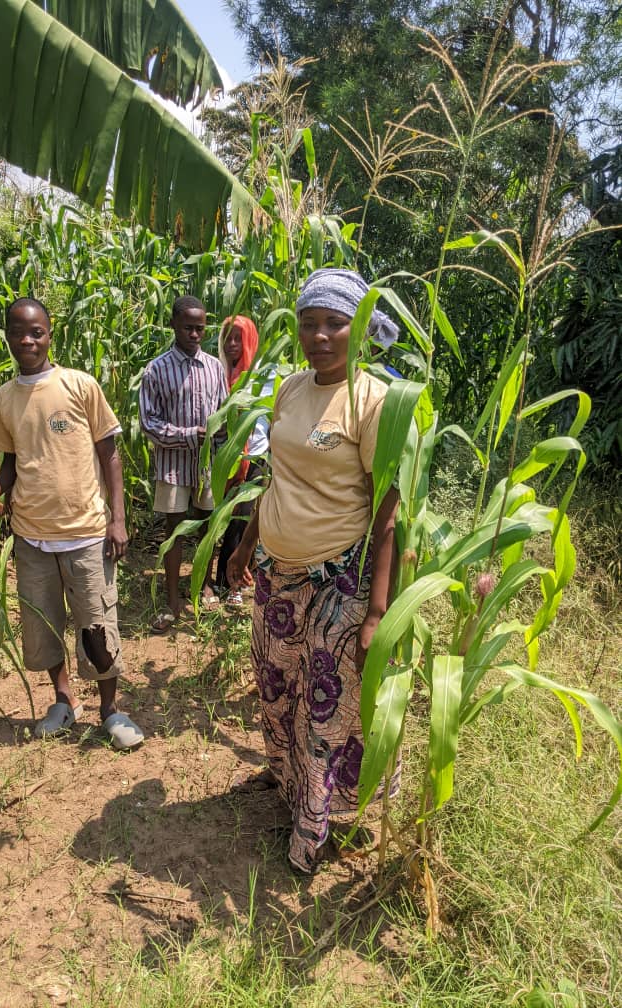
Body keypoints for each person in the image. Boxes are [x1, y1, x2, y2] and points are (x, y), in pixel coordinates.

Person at [227, 268, 401, 875]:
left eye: (334, 323)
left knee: (325, 709)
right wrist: (248, 543)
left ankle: (316, 824)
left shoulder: (375, 401)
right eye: (309, 323)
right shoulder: (289, 388)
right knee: (276, 685)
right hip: (279, 572)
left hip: (340, 579)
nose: (319, 335)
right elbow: (275, 476)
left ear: (359, 326)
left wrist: (378, 612)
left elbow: (387, 514)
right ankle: (285, 783)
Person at [0, 297, 143, 749]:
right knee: (45, 624)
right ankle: (63, 700)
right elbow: (12, 459)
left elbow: (109, 452)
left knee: (97, 625)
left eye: (37, 332)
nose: (28, 340)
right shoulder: (3, 400)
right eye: (19, 332)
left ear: (50, 335)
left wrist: (118, 518)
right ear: (9, 337)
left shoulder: (78, 385)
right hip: (32, 535)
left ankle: (110, 710)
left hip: (86, 531)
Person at [139, 296, 228, 633]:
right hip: (174, 464)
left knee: (207, 526)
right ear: (174, 324)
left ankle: (203, 586)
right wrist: (193, 434)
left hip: (206, 465)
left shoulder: (214, 367)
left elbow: (222, 411)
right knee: (174, 530)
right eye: (188, 327)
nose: (195, 334)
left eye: (200, 328)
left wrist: (221, 439)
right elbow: (149, 423)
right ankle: (173, 596)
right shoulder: (157, 369)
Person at [214, 315, 272, 607]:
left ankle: (232, 584)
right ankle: (218, 580)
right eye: (227, 337)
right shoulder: (216, 371)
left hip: (256, 457)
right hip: (223, 460)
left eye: (238, 337)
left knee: (242, 519)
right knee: (218, 522)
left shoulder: (265, 375)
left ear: (250, 338)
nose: (232, 344)